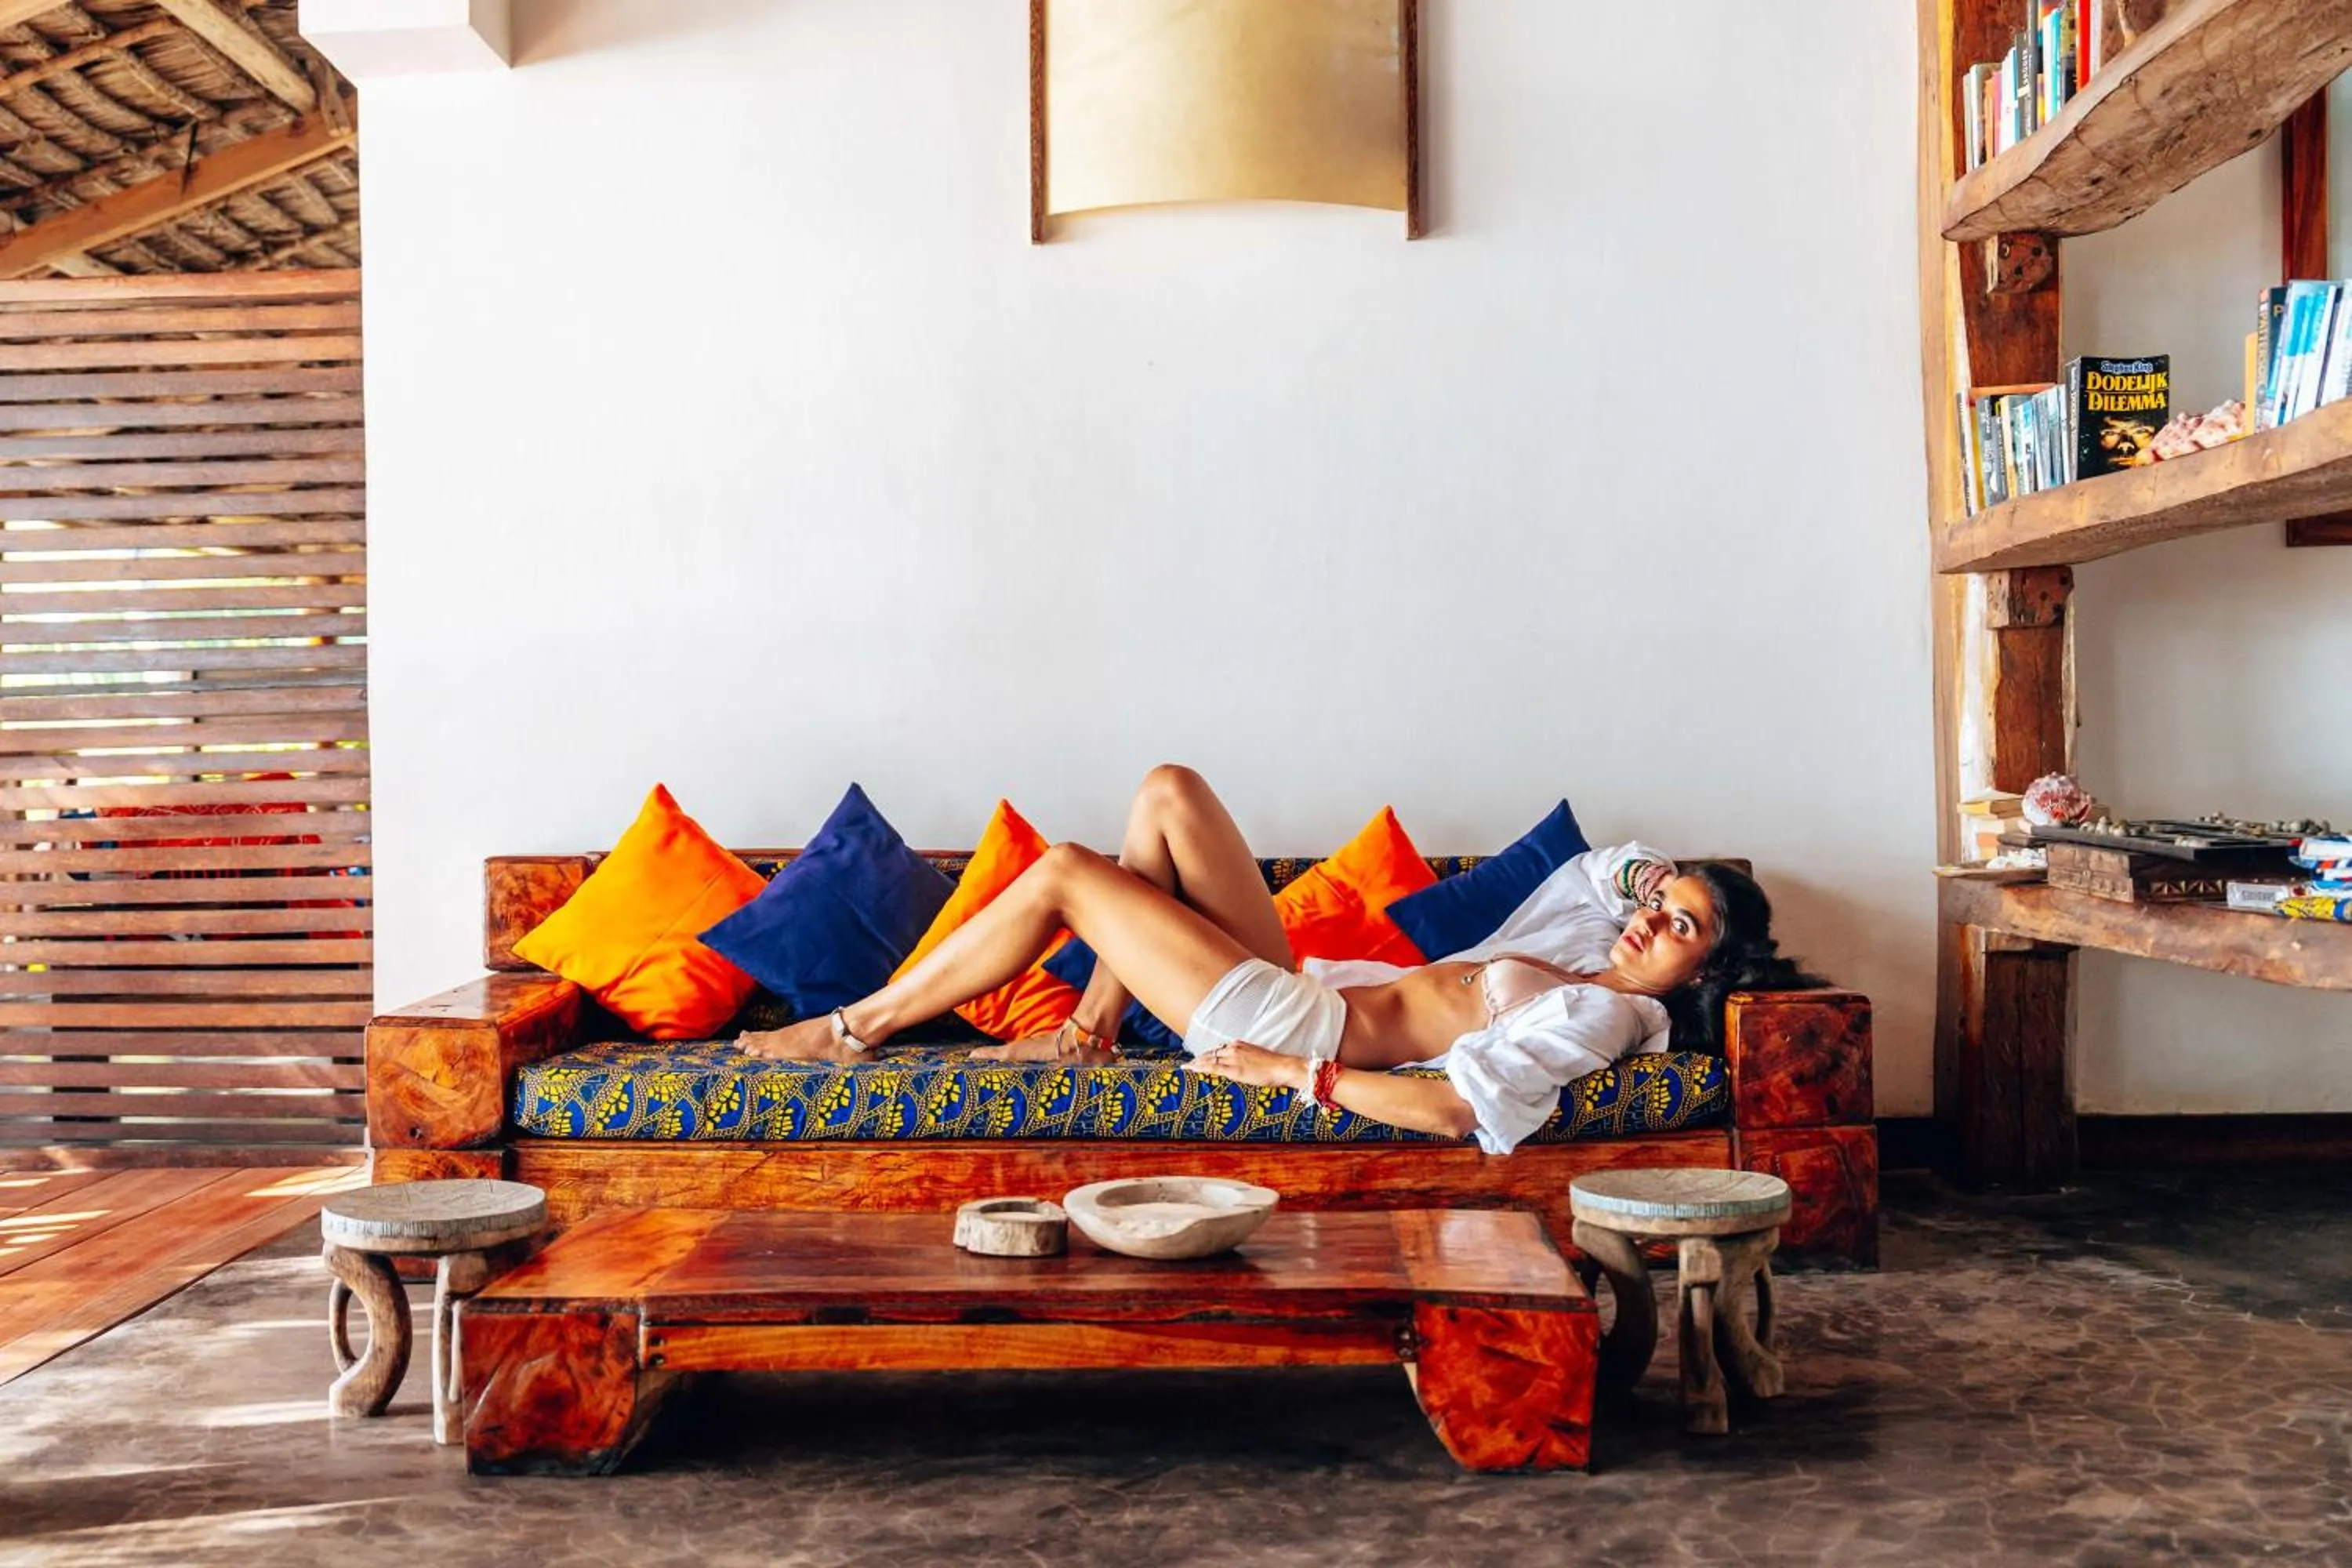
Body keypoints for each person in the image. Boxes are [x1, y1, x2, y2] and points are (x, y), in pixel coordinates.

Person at [739, 766, 1819, 1155]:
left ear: (1709, 974)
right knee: (1167, 795)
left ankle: (849, 1031)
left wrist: (1283, 1074)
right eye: (1662, 907)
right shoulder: (1591, 942)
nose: (1649, 922)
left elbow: (1459, 1114)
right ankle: (1085, 1034)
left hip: (1300, 1034)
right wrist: (1660, 887)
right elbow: (1604, 868)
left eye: (1681, 930)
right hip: (1307, 988)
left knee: (1067, 871)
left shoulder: (1610, 1018)